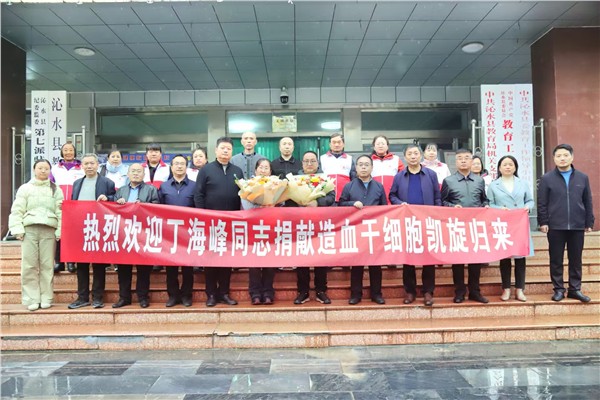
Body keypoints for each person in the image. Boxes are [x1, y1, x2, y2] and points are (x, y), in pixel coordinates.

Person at [538, 144, 595, 303]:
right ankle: (558, 289)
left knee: (576, 259)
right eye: (558, 156)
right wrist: (543, 221)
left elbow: (587, 201)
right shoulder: (547, 178)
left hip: (577, 224)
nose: (562, 158)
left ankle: (575, 289)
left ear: (572, 157)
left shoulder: (582, 177)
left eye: (565, 155)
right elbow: (542, 202)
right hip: (555, 225)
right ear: (554, 158)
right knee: (556, 259)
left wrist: (589, 221)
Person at [389, 144, 441, 306]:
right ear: (405, 157)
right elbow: (392, 195)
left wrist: (437, 214)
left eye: (416, 153)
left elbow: (437, 196)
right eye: (410, 154)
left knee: (428, 257)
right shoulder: (399, 176)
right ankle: (410, 291)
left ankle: (428, 291)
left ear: (421, 156)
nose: (413, 156)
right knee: (408, 257)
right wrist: (400, 203)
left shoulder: (431, 174)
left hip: (427, 221)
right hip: (408, 222)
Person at [194, 137, 243, 307]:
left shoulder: (237, 171)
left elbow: (243, 195)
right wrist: (203, 216)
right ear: (216, 150)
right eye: (222, 148)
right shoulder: (206, 170)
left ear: (232, 151)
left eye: (228, 149)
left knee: (226, 259)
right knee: (211, 259)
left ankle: (224, 293)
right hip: (210, 223)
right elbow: (198, 194)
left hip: (230, 223)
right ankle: (211, 294)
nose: (225, 151)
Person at [9, 159, 63, 311]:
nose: (43, 171)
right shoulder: (25, 188)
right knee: (29, 265)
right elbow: (17, 210)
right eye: (40, 168)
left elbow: (60, 212)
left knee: (47, 265)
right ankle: (31, 298)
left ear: (50, 171)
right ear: (34, 170)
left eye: (46, 168)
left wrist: (60, 230)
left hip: (49, 230)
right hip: (29, 230)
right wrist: (17, 229)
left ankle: (46, 297)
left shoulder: (56, 189)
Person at [67, 154, 116, 309]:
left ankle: (97, 297)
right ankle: (82, 297)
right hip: (80, 228)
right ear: (82, 166)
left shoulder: (107, 182)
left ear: (97, 165)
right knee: (81, 265)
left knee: (98, 265)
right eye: (86, 164)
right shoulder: (77, 183)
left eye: (92, 163)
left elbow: (115, 199)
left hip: (99, 227)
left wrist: (107, 198)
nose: (89, 166)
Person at [441, 148, 490, 304]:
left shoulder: (479, 180)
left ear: (472, 161)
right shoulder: (448, 181)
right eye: (460, 158)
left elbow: (484, 199)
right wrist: (452, 207)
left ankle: (475, 291)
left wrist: (486, 205)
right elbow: (442, 201)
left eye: (467, 158)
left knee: (476, 259)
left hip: (475, 226)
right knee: (458, 260)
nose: (463, 160)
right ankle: (459, 292)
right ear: (455, 162)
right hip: (457, 227)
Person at [339, 155, 387, 305]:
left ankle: (376, 294)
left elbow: (385, 208)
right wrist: (352, 203)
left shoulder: (379, 187)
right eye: (360, 164)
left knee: (375, 264)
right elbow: (340, 205)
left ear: (372, 167)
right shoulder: (349, 186)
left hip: (374, 230)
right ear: (356, 168)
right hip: (356, 230)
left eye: (367, 164)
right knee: (357, 264)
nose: (364, 167)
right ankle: (356, 294)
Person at [290, 151, 335, 305]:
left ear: (317, 163)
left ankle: (321, 290)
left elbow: (331, 197)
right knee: (301, 258)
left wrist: (317, 203)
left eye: (312, 161)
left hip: (319, 224)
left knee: (320, 257)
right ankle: (303, 291)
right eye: (306, 161)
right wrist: (299, 202)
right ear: (302, 164)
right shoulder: (294, 180)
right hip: (300, 224)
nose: (309, 164)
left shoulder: (324, 179)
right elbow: (287, 200)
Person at [112, 163, 160, 308]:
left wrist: (143, 205)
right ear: (128, 174)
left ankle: (143, 297)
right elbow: (112, 210)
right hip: (124, 234)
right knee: (123, 269)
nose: (136, 173)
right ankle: (124, 297)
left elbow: (157, 207)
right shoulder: (121, 190)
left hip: (143, 233)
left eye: (139, 171)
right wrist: (118, 203)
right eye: (133, 171)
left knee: (143, 269)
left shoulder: (151, 189)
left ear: (144, 175)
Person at [487, 155, 534, 302]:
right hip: (503, 224)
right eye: (505, 164)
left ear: (515, 167)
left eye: (511, 164)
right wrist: (499, 209)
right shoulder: (494, 185)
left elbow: (530, 200)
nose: (508, 167)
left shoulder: (522, 183)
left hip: (519, 224)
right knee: (505, 257)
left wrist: (527, 207)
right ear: (499, 168)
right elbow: (489, 204)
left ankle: (520, 290)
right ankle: (506, 289)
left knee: (520, 258)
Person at [159, 155, 196, 307]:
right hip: (170, 233)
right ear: (171, 167)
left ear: (186, 167)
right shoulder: (164, 186)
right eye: (176, 164)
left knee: (188, 267)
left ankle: (187, 295)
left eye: (182, 164)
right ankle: (173, 295)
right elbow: (158, 208)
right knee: (171, 267)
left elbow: (199, 208)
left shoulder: (194, 186)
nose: (179, 166)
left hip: (189, 232)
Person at [242, 158, 278, 305]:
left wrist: (272, 204)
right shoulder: (248, 185)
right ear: (256, 170)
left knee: (270, 260)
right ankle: (255, 293)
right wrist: (262, 207)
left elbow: (281, 203)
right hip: (254, 227)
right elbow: (246, 205)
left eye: (266, 168)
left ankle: (268, 292)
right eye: (261, 167)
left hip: (271, 226)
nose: (263, 170)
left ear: (270, 171)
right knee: (254, 260)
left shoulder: (276, 184)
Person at [51, 142, 84, 273]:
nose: (68, 152)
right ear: (61, 152)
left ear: (75, 152)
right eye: (65, 150)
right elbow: (49, 186)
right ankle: (59, 262)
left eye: (71, 150)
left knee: (73, 235)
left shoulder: (81, 168)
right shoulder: (54, 169)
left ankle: (71, 262)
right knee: (59, 235)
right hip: (59, 206)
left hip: (76, 207)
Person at [320, 133, 357, 202]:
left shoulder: (349, 159)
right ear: (330, 144)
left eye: (339, 142)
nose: (336, 145)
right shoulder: (322, 158)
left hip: (345, 198)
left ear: (343, 144)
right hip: (326, 198)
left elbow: (354, 179)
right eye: (334, 142)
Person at [370, 135, 404, 200]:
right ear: (374, 147)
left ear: (387, 146)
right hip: (374, 197)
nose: (380, 146)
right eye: (378, 144)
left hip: (393, 197)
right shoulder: (369, 160)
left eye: (383, 144)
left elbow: (403, 177)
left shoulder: (396, 159)